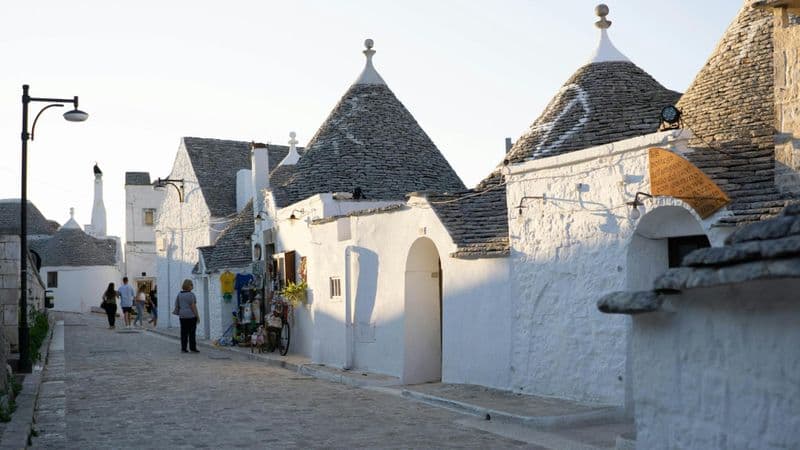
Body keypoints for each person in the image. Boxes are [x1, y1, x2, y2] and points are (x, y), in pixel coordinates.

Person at [173, 279, 199, 353]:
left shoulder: (179, 294)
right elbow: (193, 306)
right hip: (191, 316)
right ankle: (193, 348)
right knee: (192, 333)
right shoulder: (191, 295)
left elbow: (177, 305)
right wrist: (197, 316)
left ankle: (184, 348)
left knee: (183, 332)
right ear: (189, 286)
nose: (192, 286)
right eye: (191, 285)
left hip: (182, 316)